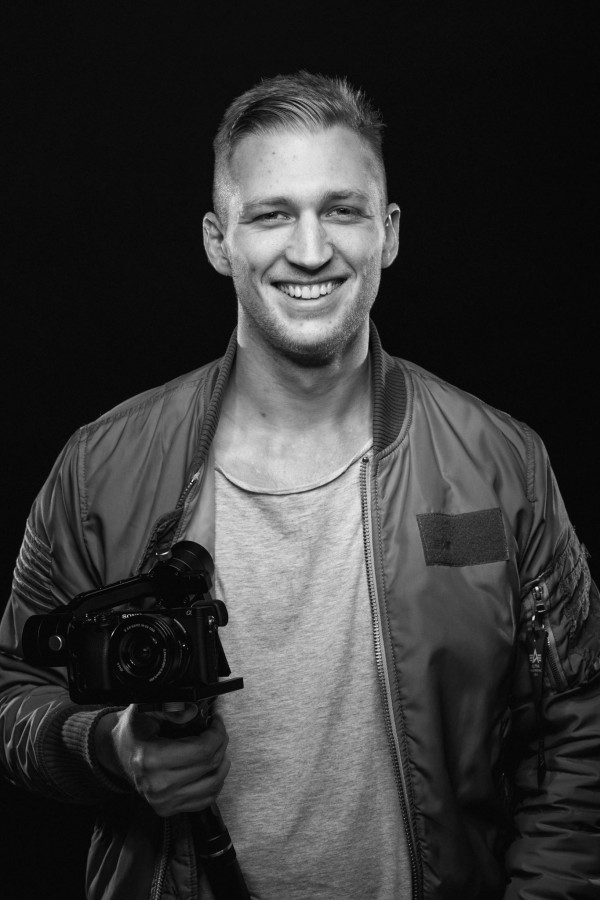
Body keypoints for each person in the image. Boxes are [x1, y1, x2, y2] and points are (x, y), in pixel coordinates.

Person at [1, 70, 599, 900]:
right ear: (219, 241)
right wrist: (113, 748)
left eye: (342, 210)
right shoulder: (102, 466)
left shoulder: (502, 463)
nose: (311, 250)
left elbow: (579, 725)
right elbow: (14, 691)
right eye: (272, 215)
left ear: (389, 232)